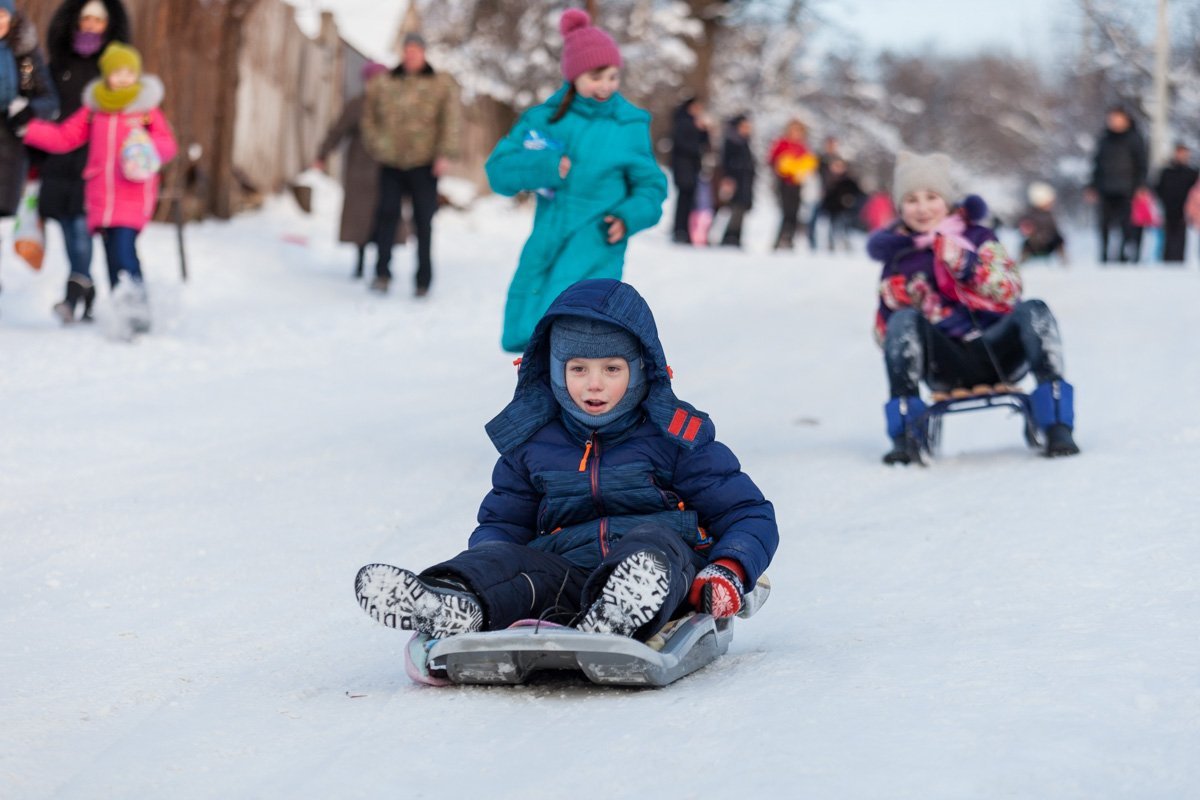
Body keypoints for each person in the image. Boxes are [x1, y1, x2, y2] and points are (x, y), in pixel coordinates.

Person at [354, 278, 778, 643]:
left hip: (663, 576)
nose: (594, 385)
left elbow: (748, 513)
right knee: (510, 560)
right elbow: (503, 525)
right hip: (568, 577)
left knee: (653, 542)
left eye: (612, 369)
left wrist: (729, 568)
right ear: (556, 370)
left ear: (640, 369)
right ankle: (455, 602)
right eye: (578, 369)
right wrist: (489, 567)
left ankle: (624, 607)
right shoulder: (532, 444)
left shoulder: (674, 439)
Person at [867, 151, 1079, 465]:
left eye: (931, 197)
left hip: (998, 349)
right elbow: (886, 338)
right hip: (943, 360)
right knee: (903, 319)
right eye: (911, 200)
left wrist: (967, 264)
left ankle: (1057, 424)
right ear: (900, 208)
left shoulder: (978, 237)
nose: (922, 208)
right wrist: (893, 306)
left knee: (1034, 310)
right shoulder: (899, 259)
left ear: (948, 200)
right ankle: (905, 434)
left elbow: (1010, 288)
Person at [485, 9, 666, 354]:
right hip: (547, 239)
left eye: (613, 76)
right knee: (532, 334)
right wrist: (544, 166)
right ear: (574, 74)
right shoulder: (544, 120)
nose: (606, 86)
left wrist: (629, 216)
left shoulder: (629, 125)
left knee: (574, 333)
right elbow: (498, 171)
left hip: (597, 239)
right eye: (597, 76)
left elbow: (651, 187)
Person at [22, 42, 177, 334]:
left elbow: (167, 144)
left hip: (133, 193)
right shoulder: (94, 110)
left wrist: (147, 148)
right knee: (111, 256)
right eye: (117, 72)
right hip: (101, 197)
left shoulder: (145, 110)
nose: (123, 78)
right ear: (106, 75)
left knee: (123, 249)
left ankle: (138, 310)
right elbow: (64, 138)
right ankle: (123, 312)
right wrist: (27, 129)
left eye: (128, 72)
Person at [36, 0, 130, 323]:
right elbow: (45, 107)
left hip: (95, 162)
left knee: (81, 226)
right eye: (86, 18)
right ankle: (84, 287)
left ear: (109, 25)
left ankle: (75, 291)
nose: (91, 24)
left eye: (98, 20)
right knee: (66, 226)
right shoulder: (58, 65)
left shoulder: (113, 69)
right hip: (58, 156)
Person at [360, 32, 461, 297]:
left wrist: (444, 154)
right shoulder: (385, 82)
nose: (411, 55)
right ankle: (382, 273)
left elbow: (450, 120)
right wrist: (377, 145)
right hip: (391, 162)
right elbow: (368, 118)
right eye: (407, 50)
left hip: (424, 163)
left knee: (423, 222)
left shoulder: (440, 84)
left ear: (423, 52)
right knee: (386, 217)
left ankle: (423, 280)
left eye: (416, 50)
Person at [314, 61, 404, 280]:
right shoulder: (357, 105)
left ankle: (383, 265)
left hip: (389, 171)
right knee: (361, 218)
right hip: (361, 171)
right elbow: (338, 131)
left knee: (386, 217)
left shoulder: (395, 106)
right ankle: (360, 261)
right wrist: (322, 154)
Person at [0, 0, 58, 304]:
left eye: (1, 15)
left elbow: (50, 102)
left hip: (10, 150)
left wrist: (27, 110)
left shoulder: (24, 53)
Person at [1085, 106, 1147, 264]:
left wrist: (1141, 186)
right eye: (1112, 119)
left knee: (1126, 224)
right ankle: (1104, 255)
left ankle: (1123, 255)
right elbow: (1096, 164)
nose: (1114, 122)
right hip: (1105, 188)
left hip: (1127, 189)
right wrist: (1091, 186)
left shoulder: (1134, 138)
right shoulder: (1104, 139)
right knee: (1104, 224)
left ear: (1125, 120)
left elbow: (1142, 164)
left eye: (1117, 119)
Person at [766, 119, 815, 251]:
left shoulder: (802, 146)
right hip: (784, 182)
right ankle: (780, 239)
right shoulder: (782, 143)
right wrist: (781, 165)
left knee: (795, 211)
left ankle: (789, 239)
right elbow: (772, 160)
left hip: (797, 183)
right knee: (786, 210)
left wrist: (802, 169)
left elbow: (809, 163)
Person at [669, 96, 708, 245]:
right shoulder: (683, 122)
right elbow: (684, 145)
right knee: (683, 200)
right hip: (683, 167)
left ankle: (685, 230)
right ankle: (679, 230)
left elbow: (704, 145)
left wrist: (704, 131)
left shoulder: (695, 123)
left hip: (692, 168)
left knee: (689, 200)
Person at [1154, 143, 1198, 264]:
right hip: (1168, 209)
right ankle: (1166, 261)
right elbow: (1158, 188)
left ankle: (1179, 262)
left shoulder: (1192, 173)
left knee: (1181, 238)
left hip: (1184, 211)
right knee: (1167, 238)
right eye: (1179, 153)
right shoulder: (1166, 172)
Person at [716, 113, 754, 248]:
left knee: (741, 209)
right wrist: (728, 179)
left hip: (745, 181)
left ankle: (736, 236)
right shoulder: (731, 141)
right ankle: (729, 236)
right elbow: (726, 162)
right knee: (734, 208)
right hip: (735, 179)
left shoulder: (745, 142)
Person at [818, 157, 863, 252]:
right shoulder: (828, 179)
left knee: (845, 225)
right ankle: (831, 243)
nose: (838, 168)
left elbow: (857, 193)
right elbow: (825, 195)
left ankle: (846, 243)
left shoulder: (849, 180)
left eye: (840, 166)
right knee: (832, 225)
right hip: (832, 208)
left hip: (845, 208)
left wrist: (850, 199)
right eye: (836, 166)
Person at [1017, 181, 1067, 265]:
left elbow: (1054, 229)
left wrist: (1054, 236)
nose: (1051, 204)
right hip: (1035, 245)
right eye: (1049, 202)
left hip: (1049, 244)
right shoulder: (1030, 214)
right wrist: (1027, 230)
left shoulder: (1049, 215)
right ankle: (1021, 262)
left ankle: (1064, 261)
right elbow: (1024, 230)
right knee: (1025, 245)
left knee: (1059, 240)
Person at [807, 135, 840, 250]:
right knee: (813, 218)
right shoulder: (819, 159)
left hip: (833, 195)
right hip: (819, 193)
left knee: (833, 221)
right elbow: (812, 174)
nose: (831, 147)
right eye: (829, 144)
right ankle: (812, 243)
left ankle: (831, 243)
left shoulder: (838, 160)